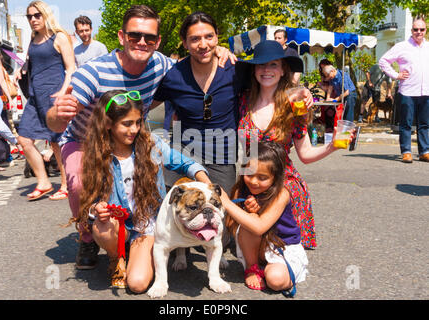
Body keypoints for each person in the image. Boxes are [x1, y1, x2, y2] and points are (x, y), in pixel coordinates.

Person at [45, 5, 234, 270]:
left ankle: (142, 229)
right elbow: (54, 121)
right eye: (134, 36)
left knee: (142, 182)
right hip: (84, 139)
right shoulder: (93, 72)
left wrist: (219, 50)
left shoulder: (162, 65)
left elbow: (196, 56)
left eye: (149, 38)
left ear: (157, 42)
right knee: (78, 184)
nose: (141, 42)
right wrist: (57, 112)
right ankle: (87, 237)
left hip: (128, 138)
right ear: (122, 37)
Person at [75, 90, 211, 291]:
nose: (134, 129)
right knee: (102, 228)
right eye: (127, 124)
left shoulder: (151, 144)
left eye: (138, 122)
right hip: (116, 224)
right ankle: (116, 258)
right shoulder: (96, 154)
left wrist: (205, 183)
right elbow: (90, 200)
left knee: (137, 284)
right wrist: (97, 208)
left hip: (145, 222)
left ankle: (140, 252)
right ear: (108, 123)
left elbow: (184, 163)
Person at [236, 40, 351, 249]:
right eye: (261, 65)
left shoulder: (294, 106)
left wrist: (332, 146)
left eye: (273, 65)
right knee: (250, 245)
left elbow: (305, 154)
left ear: (282, 70)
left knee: (275, 253)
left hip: (282, 181)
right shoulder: (242, 101)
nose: (266, 70)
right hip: (251, 180)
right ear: (254, 70)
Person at [152, 11, 241, 194]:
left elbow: (269, 86)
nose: (203, 45)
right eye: (195, 39)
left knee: (221, 215)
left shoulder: (235, 70)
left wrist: (299, 92)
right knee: (173, 212)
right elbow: (144, 106)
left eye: (209, 36)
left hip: (222, 160)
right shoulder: (174, 76)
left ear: (217, 36)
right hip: (183, 156)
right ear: (185, 43)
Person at [220, 141, 308, 292]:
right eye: (249, 174)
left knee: (275, 280)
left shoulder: (282, 193)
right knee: (250, 221)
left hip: (283, 246)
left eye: (262, 177)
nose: (254, 181)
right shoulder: (241, 190)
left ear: (275, 177)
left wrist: (226, 203)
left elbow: (260, 227)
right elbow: (230, 224)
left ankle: (280, 270)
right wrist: (248, 212)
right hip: (259, 248)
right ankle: (252, 267)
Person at [14, 1, 75, 201]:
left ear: (45, 15)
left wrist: (63, 92)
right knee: (24, 139)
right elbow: (33, 64)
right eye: (29, 16)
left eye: (36, 15)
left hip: (54, 96)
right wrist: (20, 72)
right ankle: (44, 181)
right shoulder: (33, 39)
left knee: (57, 143)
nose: (32, 20)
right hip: (35, 97)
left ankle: (66, 185)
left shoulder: (59, 37)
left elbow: (71, 68)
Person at [379, 16, 429, 163]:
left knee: (425, 123)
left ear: (425, 30)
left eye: (422, 29)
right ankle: (406, 151)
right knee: (406, 123)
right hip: (408, 90)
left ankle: (424, 151)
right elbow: (383, 61)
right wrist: (396, 75)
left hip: (426, 91)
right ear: (411, 30)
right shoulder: (402, 46)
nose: (418, 32)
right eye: (415, 29)